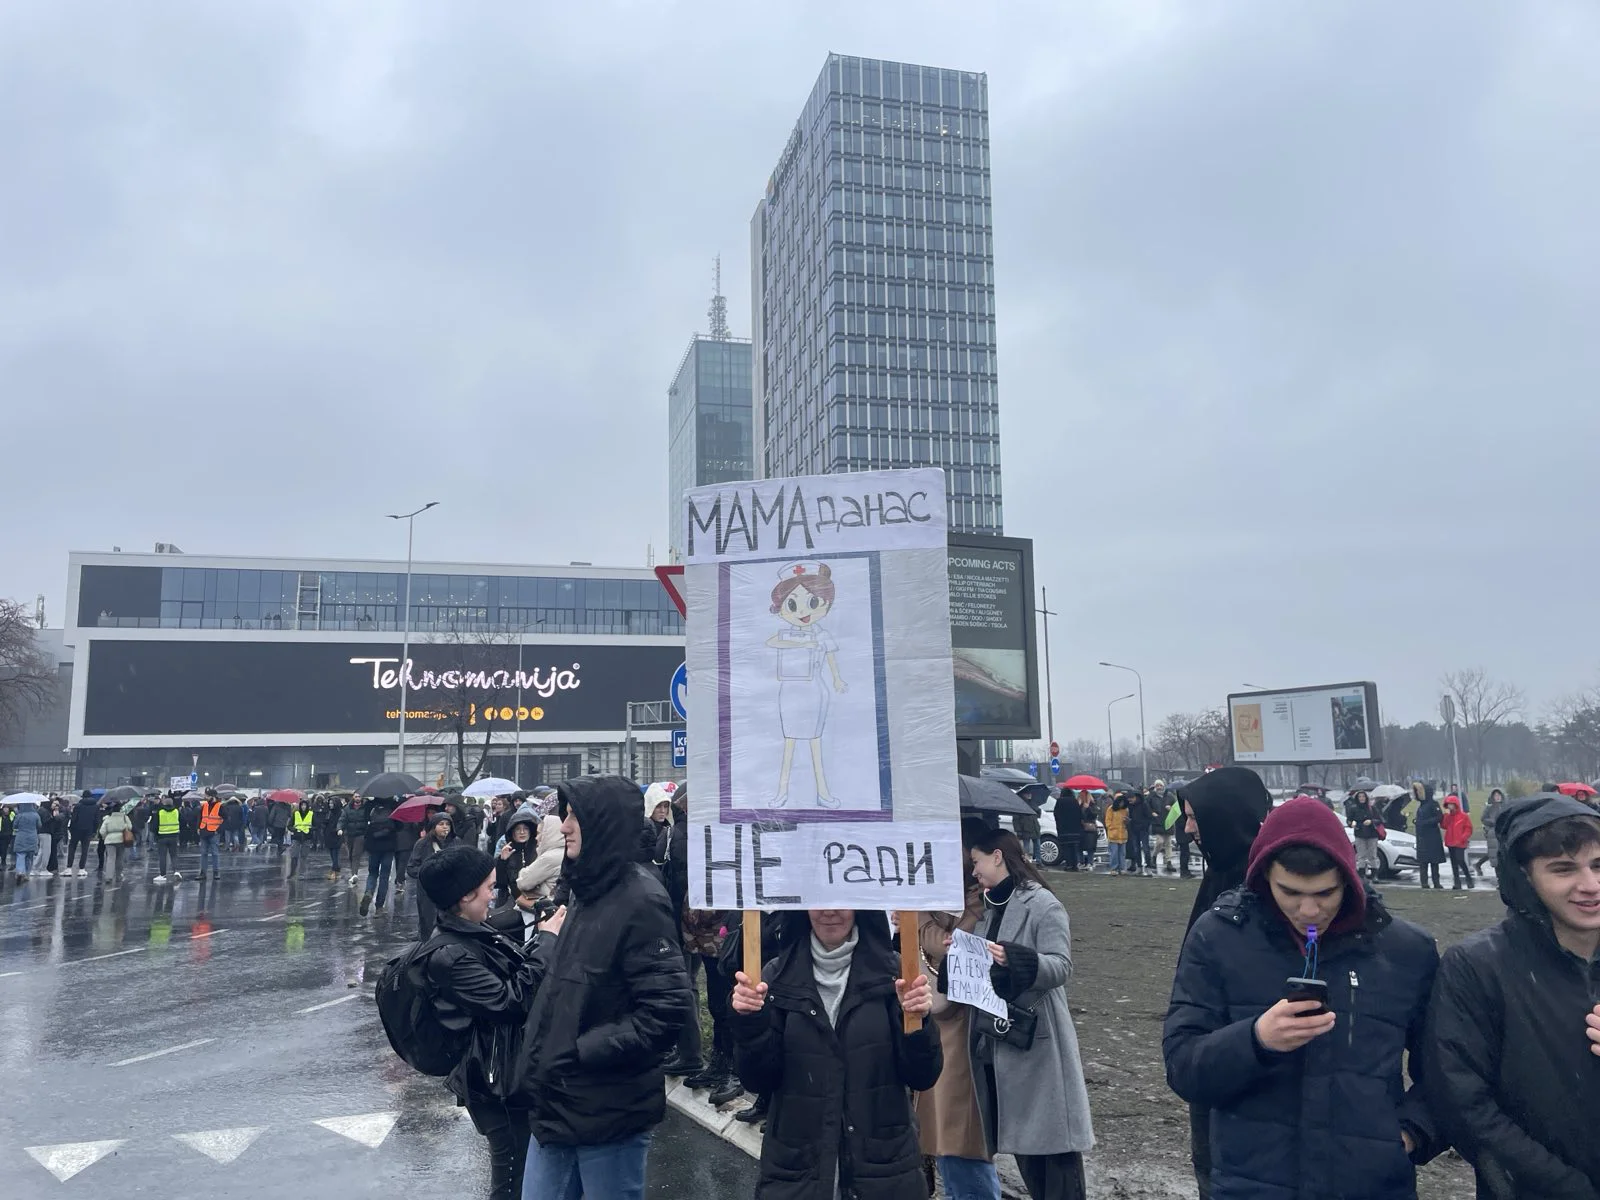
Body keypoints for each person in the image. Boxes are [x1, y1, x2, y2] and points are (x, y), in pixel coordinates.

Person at [1164, 797, 1441, 1199]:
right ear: (1262, 877)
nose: (1309, 909)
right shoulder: (1217, 938)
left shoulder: (1405, 951)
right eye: (1290, 892)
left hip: (1372, 1185)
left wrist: (1411, 1134)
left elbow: (1446, 1071)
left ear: (1349, 878)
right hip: (1252, 1185)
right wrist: (1256, 1039)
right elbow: (1183, 1065)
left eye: (1325, 893)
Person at [511, 775, 693, 1199]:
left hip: (606, 1109)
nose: (564, 824)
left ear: (604, 824)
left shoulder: (640, 900)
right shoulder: (585, 890)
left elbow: (666, 1011)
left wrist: (581, 1051)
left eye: (574, 816)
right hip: (555, 1101)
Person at [1423, 793, 1600, 1197]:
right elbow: (1465, 1106)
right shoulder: (1479, 966)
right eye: (1563, 869)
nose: (1589, 886)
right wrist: (1565, 1187)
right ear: (1524, 877)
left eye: (1599, 865)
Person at [728, 907, 939, 1199]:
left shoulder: (897, 974)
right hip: (797, 1169)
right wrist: (750, 1024)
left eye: (841, 900)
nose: (829, 912)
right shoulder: (774, 976)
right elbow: (758, 1080)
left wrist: (920, 1022)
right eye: (819, 901)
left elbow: (922, 1075)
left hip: (884, 1170)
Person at [419, 844, 561, 1200]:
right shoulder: (449, 955)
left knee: (524, 1174)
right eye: (488, 887)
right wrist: (547, 941)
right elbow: (509, 1001)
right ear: (465, 895)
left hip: (506, 1074)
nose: (493, 894)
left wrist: (528, 917)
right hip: (495, 1084)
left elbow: (506, 960)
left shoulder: (472, 931)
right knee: (512, 1182)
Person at [964, 828, 1094, 1198]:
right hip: (1004, 1044)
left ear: (997, 857)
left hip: (1040, 1047)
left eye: (977, 862)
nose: (974, 871)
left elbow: (1061, 966)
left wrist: (1020, 960)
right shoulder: (989, 909)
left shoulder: (1043, 905)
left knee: (1055, 1158)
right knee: (1028, 1154)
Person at [1171, 767, 1273, 1200]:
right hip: (1210, 1059)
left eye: (1195, 817)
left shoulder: (1268, 885)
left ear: (1224, 816)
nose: (1188, 828)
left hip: (1258, 1069)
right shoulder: (1218, 877)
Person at [915, 817, 1001, 1200]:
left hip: (966, 1017)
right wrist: (939, 933)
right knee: (940, 1124)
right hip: (931, 1006)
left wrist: (942, 931)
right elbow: (924, 930)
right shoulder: (928, 886)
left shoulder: (985, 895)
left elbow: (967, 938)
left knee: (961, 1127)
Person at [408, 812, 459, 938]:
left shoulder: (455, 843)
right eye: (441, 824)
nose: (445, 827)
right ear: (433, 827)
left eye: (447, 824)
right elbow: (411, 868)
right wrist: (428, 871)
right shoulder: (422, 844)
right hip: (427, 891)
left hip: (449, 890)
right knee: (429, 922)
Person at [360, 798, 398, 916]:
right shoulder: (393, 807)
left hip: (373, 846)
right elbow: (399, 826)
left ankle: (369, 891)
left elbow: (364, 824)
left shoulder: (370, 807)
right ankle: (379, 907)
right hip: (388, 847)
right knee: (384, 877)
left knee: (372, 873)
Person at [494, 813, 539, 908]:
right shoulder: (506, 851)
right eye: (518, 829)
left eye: (525, 828)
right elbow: (500, 883)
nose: (522, 832)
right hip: (510, 903)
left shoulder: (538, 850)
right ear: (512, 832)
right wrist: (502, 861)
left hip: (533, 902)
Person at [1347, 788, 1384, 882]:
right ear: (1357, 798)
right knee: (1361, 855)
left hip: (1372, 834)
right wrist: (1351, 823)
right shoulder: (1353, 808)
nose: (1362, 798)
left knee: (1373, 855)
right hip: (1359, 833)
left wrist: (1371, 821)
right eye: (1360, 797)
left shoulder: (1372, 808)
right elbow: (1349, 820)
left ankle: (1374, 875)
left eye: (1363, 796)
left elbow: (1380, 820)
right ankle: (1361, 875)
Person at [1414, 785, 1446, 889]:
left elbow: (1439, 817)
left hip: (1432, 836)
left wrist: (1425, 823)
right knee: (1423, 862)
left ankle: (1436, 882)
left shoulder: (1433, 804)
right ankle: (1424, 882)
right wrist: (1417, 822)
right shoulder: (1421, 805)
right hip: (1422, 836)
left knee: (1434, 861)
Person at [1442, 796, 1476, 889]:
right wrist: (1446, 815)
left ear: (1455, 805)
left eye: (1451, 804)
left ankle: (1468, 878)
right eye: (1448, 804)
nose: (1450, 806)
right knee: (1453, 863)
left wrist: (1463, 837)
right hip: (1450, 842)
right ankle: (1457, 882)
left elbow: (1468, 828)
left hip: (1460, 843)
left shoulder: (1463, 816)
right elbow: (1444, 825)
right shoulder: (1448, 816)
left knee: (1460, 860)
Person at [66, 791, 100, 877]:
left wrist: (71, 829)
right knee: (85, 849)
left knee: (72, 847)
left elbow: (74, 819)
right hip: (88, 830)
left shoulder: (78, 806)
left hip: (76, 829)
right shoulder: (96, 807)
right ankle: (82, 869)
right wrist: (94, 831)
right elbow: (96, 820)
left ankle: (69, 868)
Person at [1472, 787, 1504, 875]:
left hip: (1503, 833)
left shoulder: (1505, 806)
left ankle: (1478, 864)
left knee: (1497, 853)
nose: (1497, 797)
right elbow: (1483, 818)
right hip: (1493, 833)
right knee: (1494, 854)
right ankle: (1499, 877)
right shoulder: (1490, 807)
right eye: (1495, 795)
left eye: (1499, 795)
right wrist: (1493, 822)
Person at [152, 793, 183, 884]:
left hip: (162, 836)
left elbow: (155, 825)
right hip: (173, 836)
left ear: (164, 803)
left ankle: (163, 875)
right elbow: (181, 821)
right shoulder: (176, 811)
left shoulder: (160, 812)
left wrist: (156, 836)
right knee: (173, 855)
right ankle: (176, 871)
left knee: (162, 856)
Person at [98, 803, 132, 883]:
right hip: (121, 839)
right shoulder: (124, 817)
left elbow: (102, 831)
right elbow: (130, 827)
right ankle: (118, 876)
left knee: (110, 858)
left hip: (109, 840)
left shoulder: (108, 818)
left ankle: (109, 877)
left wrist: (105, 837)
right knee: (119, 858)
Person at [1150, 781, 1177, 874]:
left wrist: (1171, 809)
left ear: (1163, 786)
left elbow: (1177, 807)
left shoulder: (1170, 796)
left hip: (1168, 822)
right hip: (1157, 822)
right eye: (1157, 785)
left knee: (1168, 844)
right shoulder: (1152, 796)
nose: (1159, 787)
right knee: (1160, 842)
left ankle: (1169, 862)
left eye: (1160, 785)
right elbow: (1147, 807)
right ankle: (1154, 856)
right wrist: (1152, 813)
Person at [197, 790, 224, 881]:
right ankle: (203, 873)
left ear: (213, 796)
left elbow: (226, 819)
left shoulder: (220, 806)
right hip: (204, 831)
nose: (206, 798)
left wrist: (219, 830)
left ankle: (216, 872)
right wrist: (198, 828)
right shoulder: (205, 805)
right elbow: (200, 817)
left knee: (214, 853)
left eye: (207, 796)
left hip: (214, 833)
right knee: (203, 853)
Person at [340, 795, 367, 885]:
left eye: (359, 796)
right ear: (353, 798)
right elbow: (342, 819)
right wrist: (340, 828)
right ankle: (353, 873)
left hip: (360, 834)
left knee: (356, 854)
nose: (357, 798)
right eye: (356, 796)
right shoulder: (347, 808)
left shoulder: (365, 808)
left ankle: (354, 874)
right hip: (349, 834)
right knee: (351, 855)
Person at [1126, 788, 1154, 876]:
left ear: (1135, 797)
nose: (1129, 800)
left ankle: (1148, 867)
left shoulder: (1144, 804)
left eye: (1131, 798)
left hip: (1143, 830)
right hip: (1134, 830)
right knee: (1136, 849)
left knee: (1146, 849)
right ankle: (1139, 867)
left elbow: (1149, 817)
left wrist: (1144, 825)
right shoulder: (1130, 805)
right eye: (1128, 799)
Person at [12, 802, 40, 880]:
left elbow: (14, 826)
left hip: (21, 837)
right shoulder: (36, 815)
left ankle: (20, 872)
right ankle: (27, 874)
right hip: (32, 837)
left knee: (20, 855)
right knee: (29, 856)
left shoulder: (19, 815)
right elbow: (39, 825)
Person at [1053, 789, 1080, 872]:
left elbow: (1056, 813)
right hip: (1075, 830)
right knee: (1074, 848)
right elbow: (1079, 814)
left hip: (1063, 829)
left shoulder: (1060, 801)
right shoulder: (1075, 801)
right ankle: (1075, 865)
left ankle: (1069, 865)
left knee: (1066, 848)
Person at [287, 799, 315, 877]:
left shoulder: (311, 814)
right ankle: (292, 872)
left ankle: (302, 873)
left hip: (307, 836)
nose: (303, 807)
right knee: (294, 855)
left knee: (303, 856)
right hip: (296, 836)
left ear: (307, 806)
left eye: (305, 805)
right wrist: (294, 829)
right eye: (302, 805)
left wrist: (310, 829)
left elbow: (315, 825)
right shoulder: (296, 814)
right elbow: (289, 825)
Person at [1103, 793, 1129, 875]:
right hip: (1113, 835)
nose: (1122, 804)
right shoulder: (1111, 809)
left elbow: (1128, 821)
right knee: (1114, 853)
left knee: (1122, 853)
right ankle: (1114, 868)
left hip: (1123, 834)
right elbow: (1107, 821)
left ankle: (1122, 868)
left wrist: (1127, 821)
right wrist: (1111, 828)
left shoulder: (1126, 810)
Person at [1077, 792, 1100, 869]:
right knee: (1080, 847)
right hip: (1081, 829)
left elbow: (1094, 814)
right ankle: (1081, 862)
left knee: (1090, 847)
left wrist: (1088, 808)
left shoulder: (1092, 805)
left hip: (1090, 830)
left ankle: (1090, 862)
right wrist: (1079, 806)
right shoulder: (1078, 805)